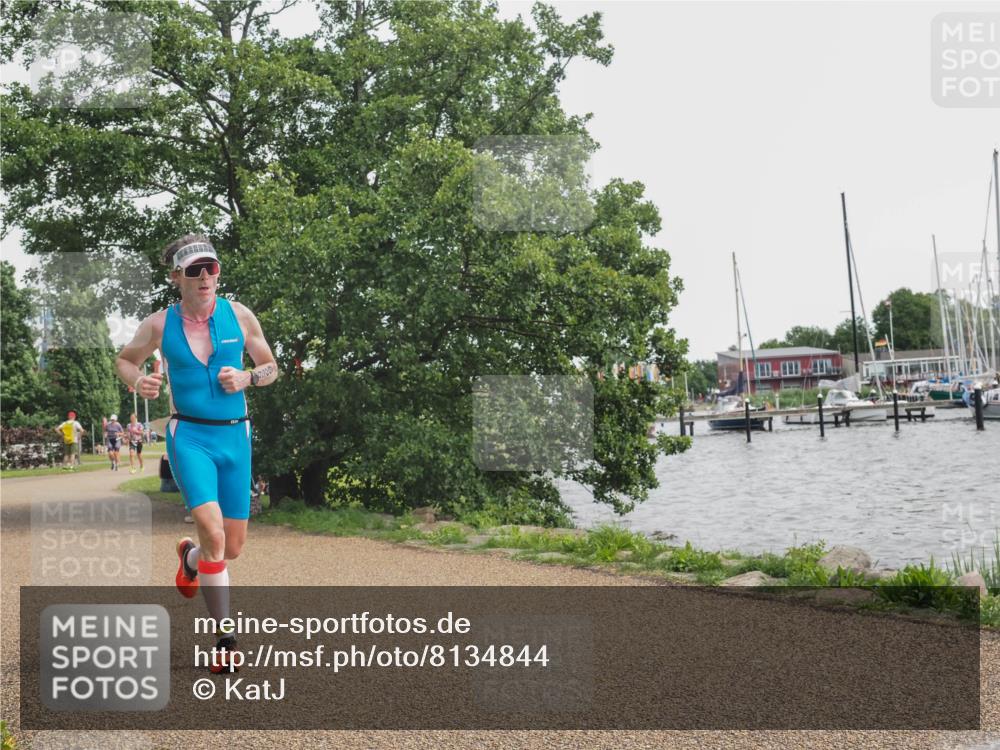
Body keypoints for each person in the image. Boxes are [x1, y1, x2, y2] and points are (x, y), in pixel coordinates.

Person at [115, 234, 277, 673]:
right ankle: (225, 641)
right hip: (189, 437)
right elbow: (126, 360)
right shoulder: (159, 324)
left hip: (235, 438)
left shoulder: (240, 316)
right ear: (177, 278)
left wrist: (248, 377)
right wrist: (138, 382)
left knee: (232, 546)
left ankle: (189, 557)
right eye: (194, 270)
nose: (205, 277)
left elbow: (270, 367)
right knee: (214, 532)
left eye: (212, 268)